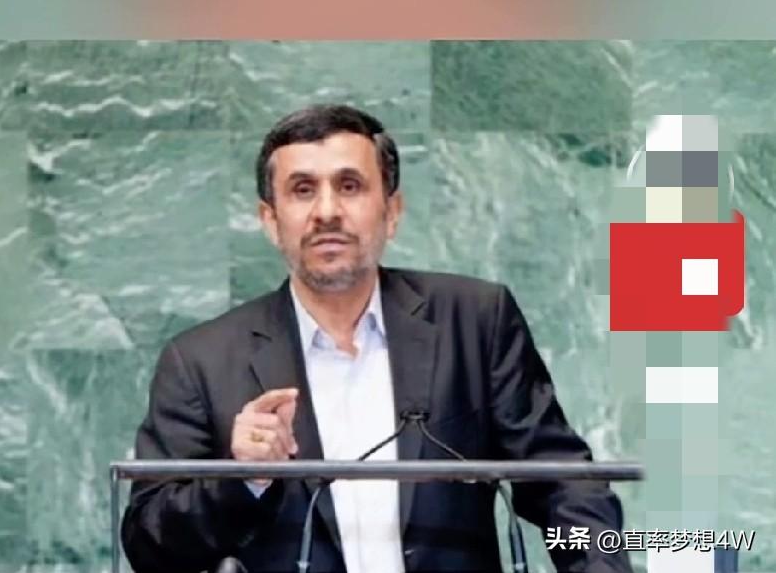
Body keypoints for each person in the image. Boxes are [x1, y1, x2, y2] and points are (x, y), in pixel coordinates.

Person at [122, 105, 633, 573]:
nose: (327, 211)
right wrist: (242, 479)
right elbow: (150, 545)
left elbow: (563, 484)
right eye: (303, 189)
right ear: (270, 221)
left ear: (392, 212)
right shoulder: (200, 362)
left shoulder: (476, 321)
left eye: (349, 186)